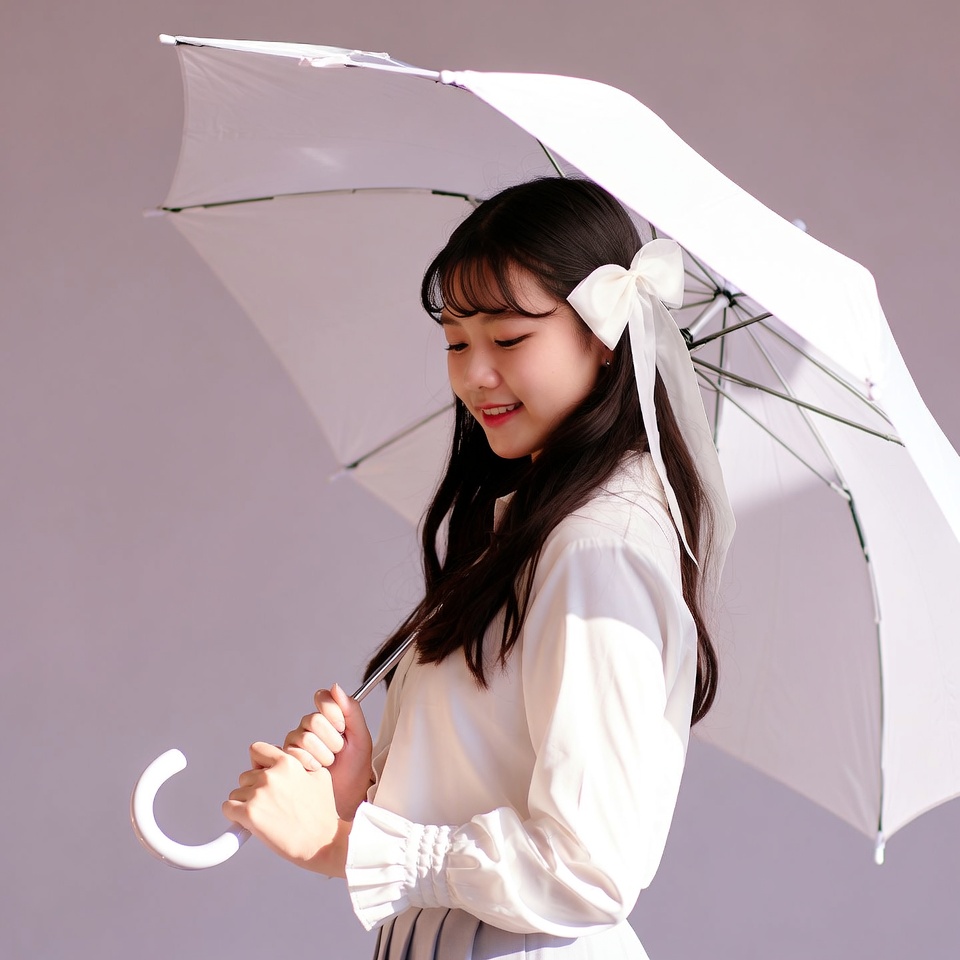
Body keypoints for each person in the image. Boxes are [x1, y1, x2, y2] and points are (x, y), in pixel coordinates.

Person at [222, 177, 735, 959]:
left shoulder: (598, 548)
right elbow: (490, 773)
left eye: (508, 338)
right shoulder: (535, 526)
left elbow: (591, 867)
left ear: (603, 337)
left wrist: (346, 848)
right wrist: (370, 789)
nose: (475, 375)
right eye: (457, 342)